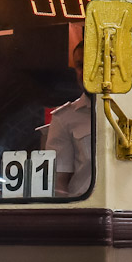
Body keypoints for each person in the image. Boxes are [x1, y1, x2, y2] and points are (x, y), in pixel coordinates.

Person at [43, 40, 92, 198]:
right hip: (84, 210)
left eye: (91, 63)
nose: (84, 71)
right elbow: (58, 183)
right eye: (80, 65)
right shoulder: (65, 118)